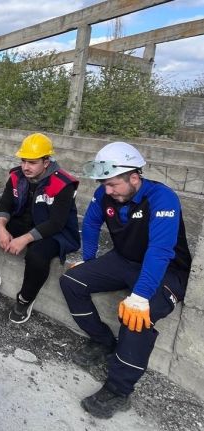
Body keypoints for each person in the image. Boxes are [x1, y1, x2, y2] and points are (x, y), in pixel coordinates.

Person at [59, 142, 191, 419]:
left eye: (113, 185)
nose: (107, 191)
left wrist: (141, 296)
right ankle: (102, 341)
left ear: (134, 177)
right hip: (124, 260)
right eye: (104, 185)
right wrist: (90, 258)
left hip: (166, 269)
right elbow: (92, 223)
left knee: (135, 317)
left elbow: (160, 250)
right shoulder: (105, 192)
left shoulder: (162, 198)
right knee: (72, 281)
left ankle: (119, 390)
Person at [0, 133, 79, 323]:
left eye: (32, 162)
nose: (26, 167)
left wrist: (24, 239)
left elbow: (56, 223)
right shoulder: (16, 176)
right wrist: (1, 229)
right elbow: (4, 205)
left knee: (37, 256)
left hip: (53, 231)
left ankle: (25, 298)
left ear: (46, 161)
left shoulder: (63, 183)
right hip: (22, 221)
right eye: (23, 161)